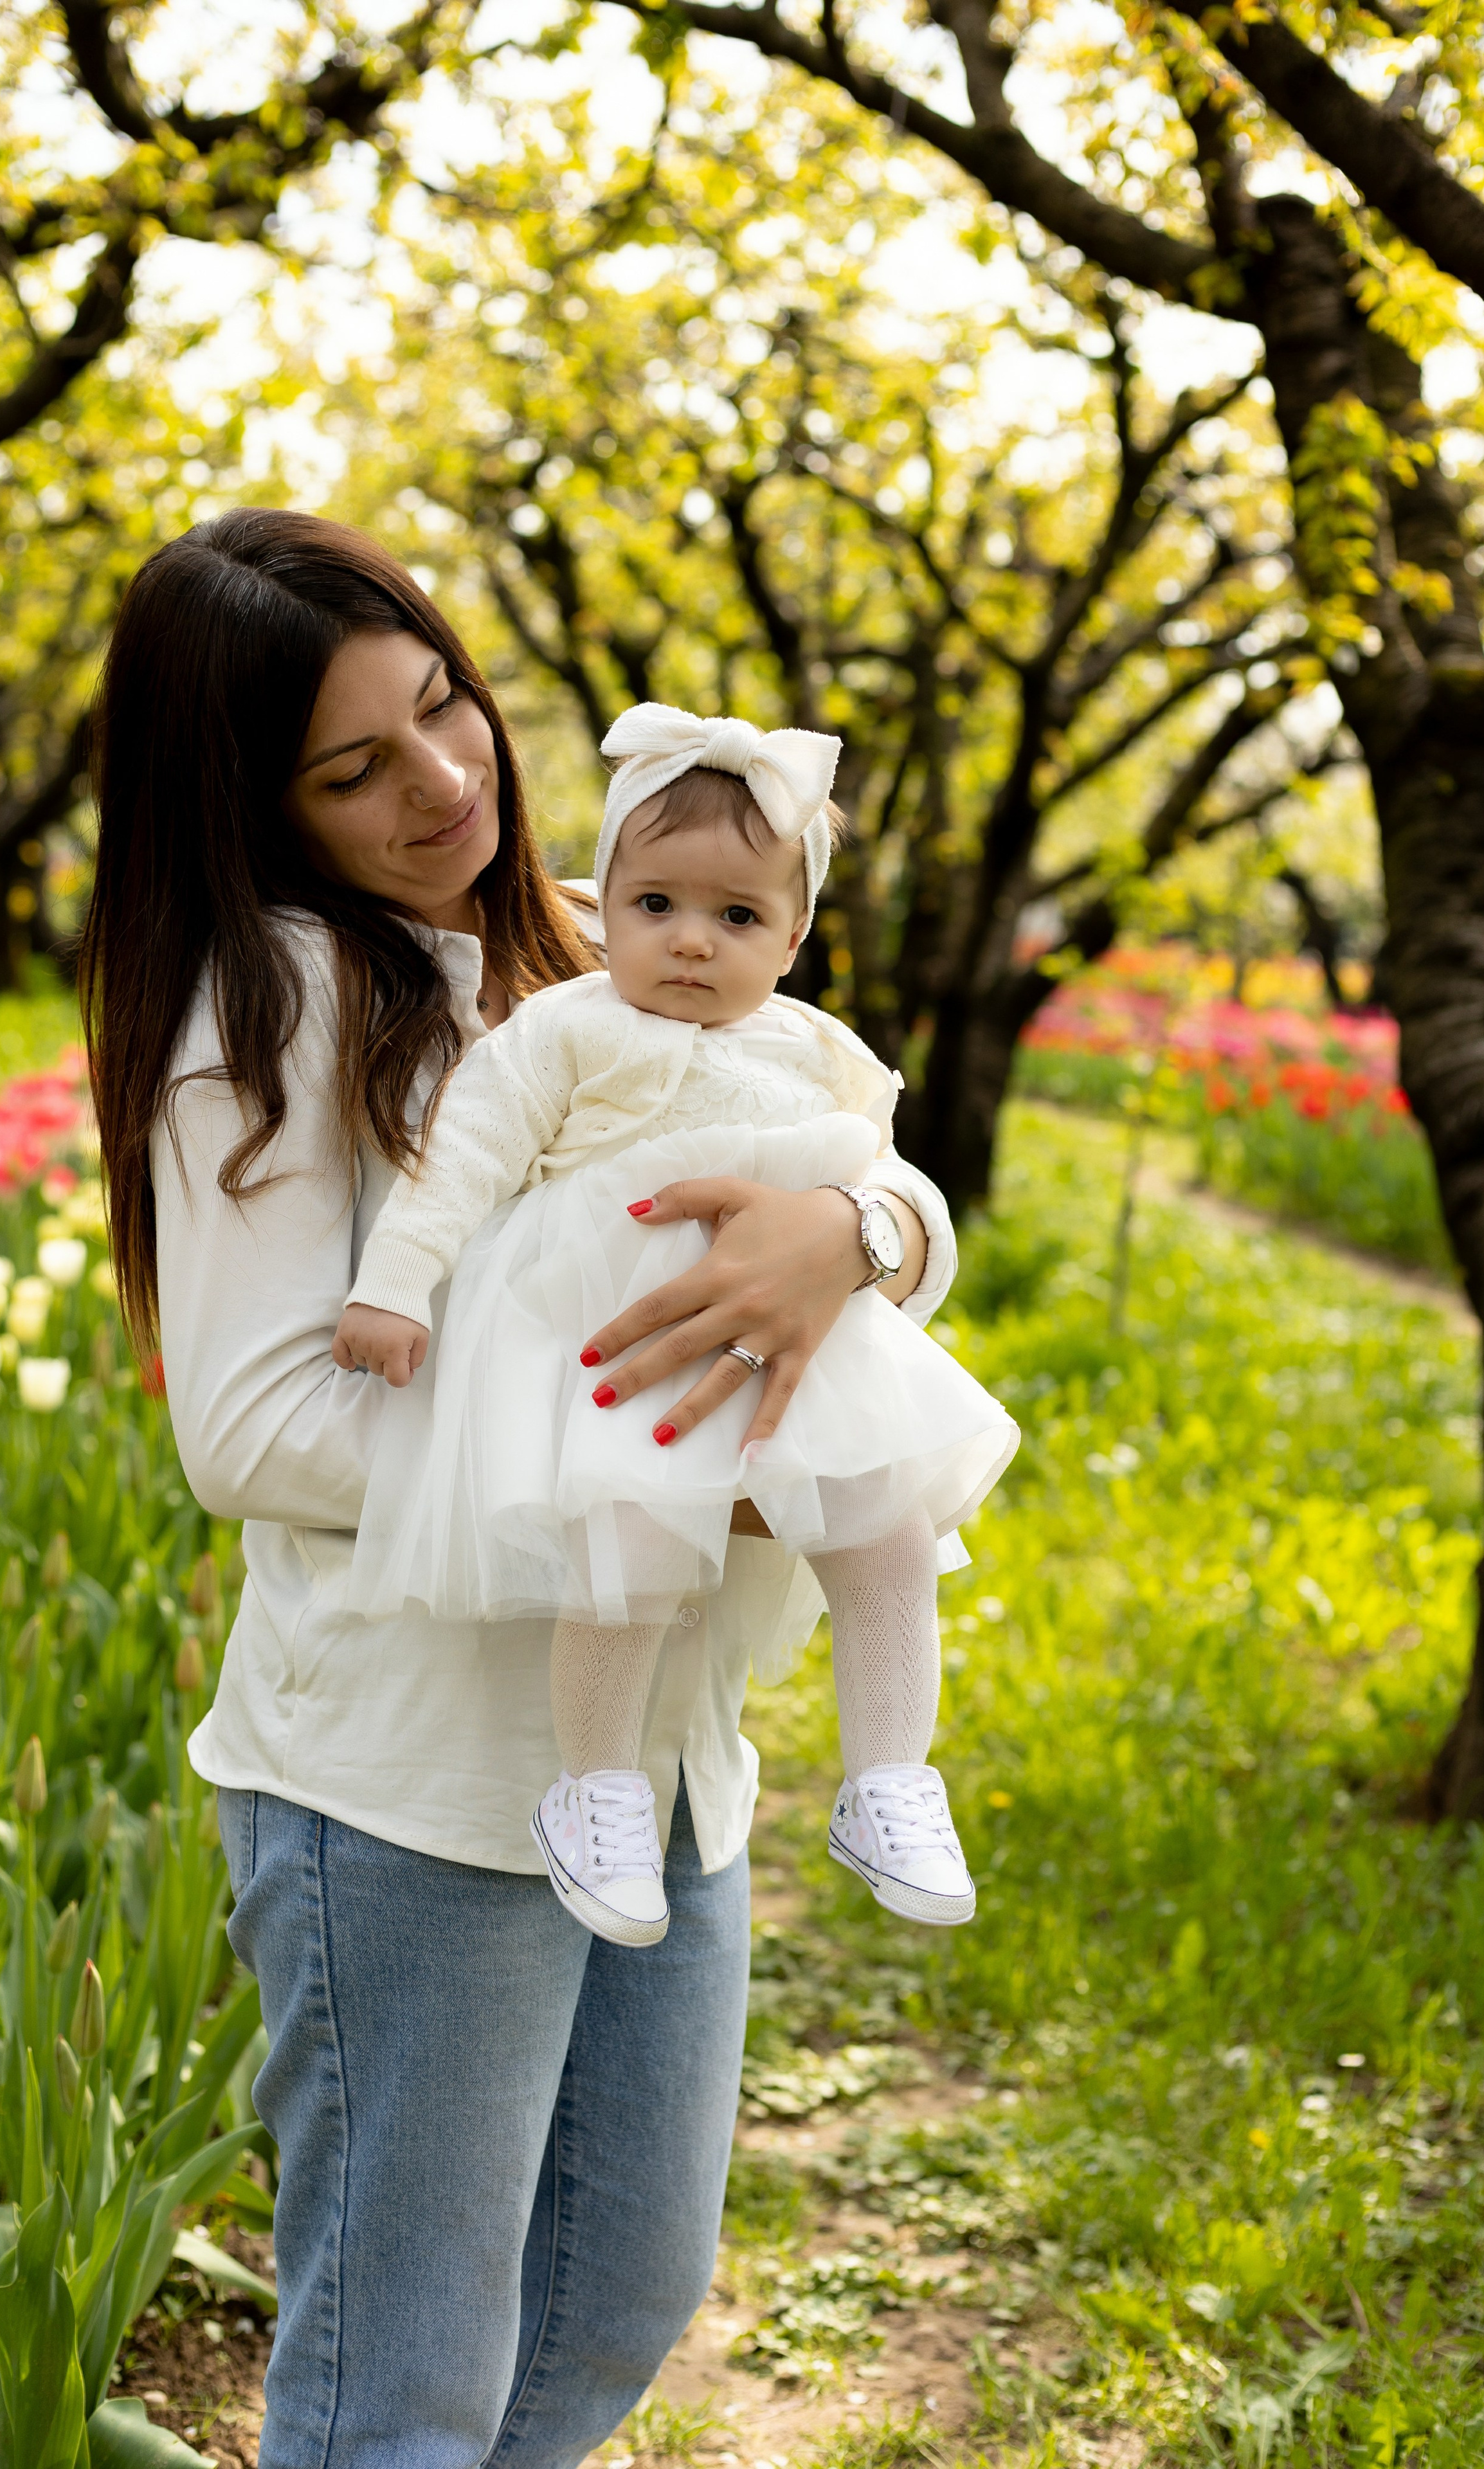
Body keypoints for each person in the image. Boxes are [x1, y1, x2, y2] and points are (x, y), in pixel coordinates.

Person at [80, 508, 961, 2467]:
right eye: (355, 767)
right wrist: (677, 1476)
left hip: (665, 1762)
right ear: (246, 802)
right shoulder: (270, 1014)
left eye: (444, 707)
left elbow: (858, 1139)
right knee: (403, 2384)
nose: (444, 780)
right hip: (408, 1794)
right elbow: (249, 1429)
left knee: (613, 2300)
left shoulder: (590, 932)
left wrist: (866, 1237)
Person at [334, 702, 1018, 1948]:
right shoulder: (566, 1027)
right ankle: (592, 1789)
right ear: (609, 903)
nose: (691, 944)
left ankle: (888, 1778)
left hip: (798, 1345)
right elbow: (462, 1159)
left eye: (738, 918)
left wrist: (868, 1227)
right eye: (654, 907)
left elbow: (891, 1183)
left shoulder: (816, 1045)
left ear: (796, 934)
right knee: (628, 1554)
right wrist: (393, 1285)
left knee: (887, 1534)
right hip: (622, 1342)